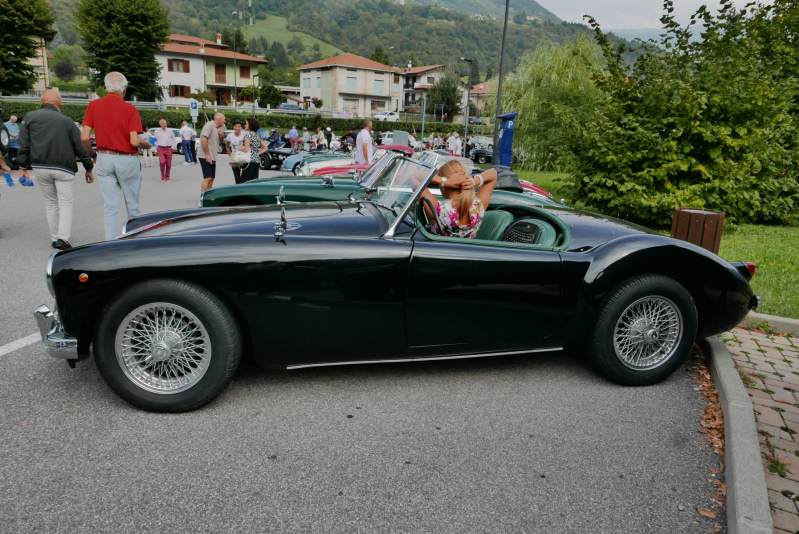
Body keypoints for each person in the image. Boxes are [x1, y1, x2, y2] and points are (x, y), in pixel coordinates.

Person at [17, 89, 95, 249]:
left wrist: (22, 166)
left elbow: (24, 144)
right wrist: (88, 167)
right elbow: (79, 147)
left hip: (40, 166)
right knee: (65, 203)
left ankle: (54, 237)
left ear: (41, 101)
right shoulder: (67, 121)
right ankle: (63, 238)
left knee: (50, 202)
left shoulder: (29, 118)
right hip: (64, 167)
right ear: (60, 103)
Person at [81, 72, 150, 241]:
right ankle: (135, 240)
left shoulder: (93, 105)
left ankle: (110, 243)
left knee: (110, 206)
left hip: (104, 157)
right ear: (124, 89)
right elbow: (134, 141)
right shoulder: (130, 109)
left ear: (106, 87)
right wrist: (146, 145)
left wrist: (93, 154)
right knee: (132, 204)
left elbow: (84, 137)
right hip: (127, 159)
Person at [418, 161, 497, 239]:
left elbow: (413, 174)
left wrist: (443, 180)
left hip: (439, 247)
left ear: (444, 186)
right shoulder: (478, 207)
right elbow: (493, 173)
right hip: (467, 248)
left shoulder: (438, 209)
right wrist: (474, 181)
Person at [196, 112, 227, 193]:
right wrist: (207, 154)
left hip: (212, 156)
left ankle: (209, 196)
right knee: (208, 177)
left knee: (212, 178)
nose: (225, 121)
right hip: (205, 155)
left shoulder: (218, 128)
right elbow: (203, 139)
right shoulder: (209, 125)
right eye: (224, 119)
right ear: (219, 119)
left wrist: (222, 136)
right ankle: (202, 197)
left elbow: (218, 144)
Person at [236, 117, 267, 183]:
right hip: (256, 160)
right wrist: (257, 153)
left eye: (246, 124)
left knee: (244, 181)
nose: (245, 125)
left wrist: (240, 148)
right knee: (253, 181)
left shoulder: (248, 135)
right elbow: (265, 147)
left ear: (250, 125)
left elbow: (246, 149)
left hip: (248, 160)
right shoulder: (257, 135)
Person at [225, 120, 246, 184]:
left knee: (245, 176)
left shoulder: (244, 135)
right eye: (235, 126)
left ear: (241, 127)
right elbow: (227, 147)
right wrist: (230, 155)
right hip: (235, 158)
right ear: (233, 127)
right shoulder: (230, 136)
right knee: (237, 177)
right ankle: (238, 188)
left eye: (239, 126)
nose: (237, 128)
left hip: (244, 157)